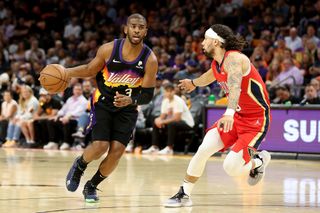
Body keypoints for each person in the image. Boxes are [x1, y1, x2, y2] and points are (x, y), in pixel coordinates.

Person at [43, 13, 158, 202]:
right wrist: (66, 72)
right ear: (126, 29)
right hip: (103, 103)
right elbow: (89, 69)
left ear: (145, 31)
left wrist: (130, 101)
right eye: (133, 26)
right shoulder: (109, 49)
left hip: (127, 109)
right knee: (100, 146)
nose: (137, 29)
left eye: (141, 27)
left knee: (116, 153)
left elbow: (147, 95)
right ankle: (79, 165)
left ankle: (92, 186)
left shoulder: (149, 59)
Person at [164, 24, 271, 207]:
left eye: (205, 39)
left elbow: (235, 86)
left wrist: (228, 113)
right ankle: (184, 194)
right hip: (236, 117)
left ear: (215, 41)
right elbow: (211, 75)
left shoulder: (235, 59)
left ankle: (259, 161)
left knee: (231, 168)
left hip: (255, 120)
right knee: (203, 149)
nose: (202, 43)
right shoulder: (217, 63)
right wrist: (194, 83)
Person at [142, 83, 194, 155]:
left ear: (174, 91)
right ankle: (154, 147)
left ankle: (169, 148)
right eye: (167, 91)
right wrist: (158, 120)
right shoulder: (165, 101)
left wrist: (162, 121)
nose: (169, 93)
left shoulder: (178, 100)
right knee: (155, 122)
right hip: (175, 122)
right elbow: (163, 116)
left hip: (187, 123)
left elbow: (177, 118)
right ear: (164, 92)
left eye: (171, 91)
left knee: (171, 124)